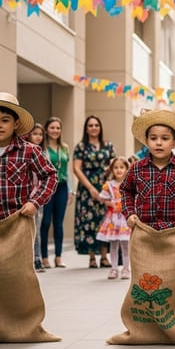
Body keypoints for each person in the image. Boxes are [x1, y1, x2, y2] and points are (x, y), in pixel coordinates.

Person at [0, 92, 58, 225]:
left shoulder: (30, 150)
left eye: (5, 120)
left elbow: (50, 176)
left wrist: (35, 203)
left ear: (16, 123)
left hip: (21, 219)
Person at [122, 109, 175, 232]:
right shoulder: (136, 168)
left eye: (165, 138)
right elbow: (126, 191)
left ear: (174, 142)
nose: (158, 143)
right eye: (153, 138)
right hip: (143, 231)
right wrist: (129, 213)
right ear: (147, 141)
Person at [72, 115, 115, 269]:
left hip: (105, 187)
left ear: (100, 127)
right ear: (86, 128)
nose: (94, 128)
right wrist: (90, 188)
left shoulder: (108, 145)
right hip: (86, 188)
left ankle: (104, 256)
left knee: (105, 220)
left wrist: (107, 184)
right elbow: (76, 168)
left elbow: (114, 165)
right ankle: (91, 257)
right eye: (90, 125)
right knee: (88, 222)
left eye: (96, 125)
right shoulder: (81, 147)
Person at [40, 117, 71, 269]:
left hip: (62, 187)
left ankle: (58, 257)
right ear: (46, 130)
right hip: (47, 188)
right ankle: (44, 257)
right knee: (45, 222)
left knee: (58, 223)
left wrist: (71, 190)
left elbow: (67, 170)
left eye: (58, 128)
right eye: (52, 128)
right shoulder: (42, 148)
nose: (55, 131)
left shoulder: (64, 148)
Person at [97, 156, 132, 280]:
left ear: (127, 169)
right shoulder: (109, 185)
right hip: (113, 219)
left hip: (124, 219)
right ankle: (114, 268)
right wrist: (109, 203)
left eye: (122, 167)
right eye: (116, 167)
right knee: (113, 244)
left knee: (125, 244)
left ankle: (126, 268)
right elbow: (103, 199)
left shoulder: (129, 184)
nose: (119, 170)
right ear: (112, 170)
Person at [25, 123, 47, 273]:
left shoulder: (43, 153)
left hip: (38, 197)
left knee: (36, 229)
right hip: (24, 196)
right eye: (35, 134)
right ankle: (26, 259)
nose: (38, 137)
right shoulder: (24, 151)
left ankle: (37, 258)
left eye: (40, 134)